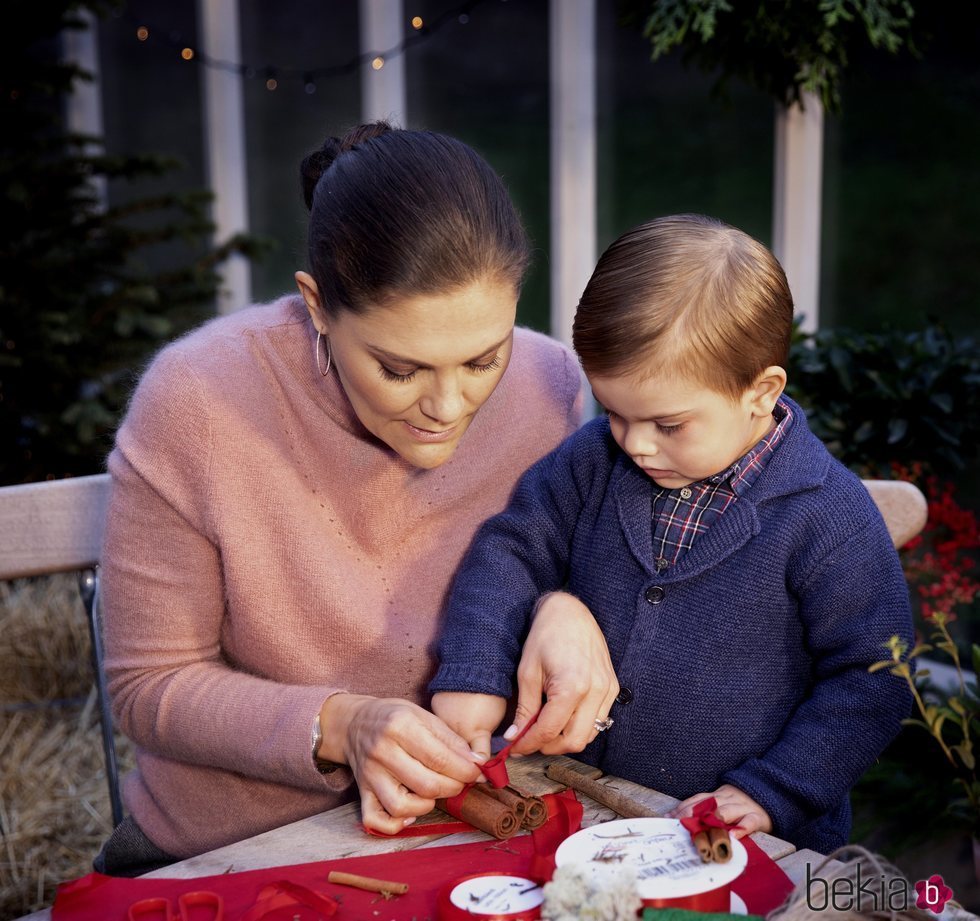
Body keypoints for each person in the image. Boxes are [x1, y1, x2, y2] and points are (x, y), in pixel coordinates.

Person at [95, 122, 620, 874]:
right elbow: (149, 686)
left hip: (473, 839)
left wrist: (567, 606)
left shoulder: (549, 385)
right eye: (400, 369)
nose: (448, 405)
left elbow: (562, 561)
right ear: (316, 306)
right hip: (223, 859)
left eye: (482, 359)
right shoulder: (197, 401)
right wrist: (341, 725)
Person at [430, 214, 915, 855]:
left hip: (751, 840)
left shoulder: (827, 517)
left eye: (668, 423)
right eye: (615, 413)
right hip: (594, 809)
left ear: (760, 393)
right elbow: (513, 550)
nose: (635, 442)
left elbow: (874, 674)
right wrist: (473, 672)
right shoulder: (594, 459)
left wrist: (776, 790)